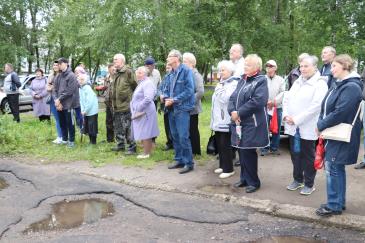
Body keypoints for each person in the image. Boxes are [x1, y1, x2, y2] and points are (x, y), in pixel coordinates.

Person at [315, 54, 363, 216]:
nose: (331, 69)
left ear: (345, 67)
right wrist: (322, 120)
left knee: (333, 168)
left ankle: (334, 205)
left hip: (340, 132)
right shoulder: (341, 84)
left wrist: (321, 124)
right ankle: (338, 202)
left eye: (334, 66)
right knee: (336, 168)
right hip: (334, 131)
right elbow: (328, 106)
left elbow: (340, 112)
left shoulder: (351, 87)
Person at [282, 55, 328, 195]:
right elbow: (287, 98)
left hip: (307, 127)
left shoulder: (320, 83)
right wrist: (285, 115)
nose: (302, 69)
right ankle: (297, 179)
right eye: (301, 66)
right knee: (295, 154)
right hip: (292, 126)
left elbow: (315, 106)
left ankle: (309, 183)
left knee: (307, 156)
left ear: (315, 67)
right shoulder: (297, 82)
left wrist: (296, 119)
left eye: (306, 66)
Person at [228, 54, 269, 193]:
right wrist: (233, 112)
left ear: (257, 67)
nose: (245, 67)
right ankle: (244, 178)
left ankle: (254, 182)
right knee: (241, 150)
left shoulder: (261, 80)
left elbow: (258, 101)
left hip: (252, 122)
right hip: (239, 122)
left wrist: (239, 112)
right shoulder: (242, 79)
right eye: (245, 64)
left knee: (248, 151)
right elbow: (233, 98)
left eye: (249, 65)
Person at [163, 49, 195, 174]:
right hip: (171, 108)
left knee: (183, 136)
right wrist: (165, 96)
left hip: (182, 108)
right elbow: (166, 88)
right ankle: (179, 159)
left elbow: (189, 90)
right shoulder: (171, 73)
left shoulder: (186, 71)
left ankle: (189, 163)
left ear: (176, 58)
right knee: (175, 135)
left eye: (169, 56)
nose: (167, 59)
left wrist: (174, 100)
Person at [211, 60, 239, 179]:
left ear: (230, 71)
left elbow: (224, 99)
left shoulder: (232, 83)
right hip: (218, 120)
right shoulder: (222, 83)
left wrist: (218, 88)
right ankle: (222, 166)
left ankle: (229, 169)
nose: (220, 72)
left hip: (226, 119)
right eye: (220, 70)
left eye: (223, 70)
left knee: (225, 144)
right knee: (220, 144)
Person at [110, 53, 137, 154]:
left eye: (116, 60)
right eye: (114, 60)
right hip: (116, 105)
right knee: (118, 127)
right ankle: (120, 145)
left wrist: (129, 98)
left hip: (126, 105)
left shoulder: (128, 72)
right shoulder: (116, 73)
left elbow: (135, 86)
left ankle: (132, 147)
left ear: (122, 61)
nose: (114, 61)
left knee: (128, 127)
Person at [130, 66, 160, 158]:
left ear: (145, 74)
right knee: (143, 131)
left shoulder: (147, 83)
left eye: (140, 73)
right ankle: (146, 152)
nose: (137, 74)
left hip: (146, 111)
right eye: (137, 72)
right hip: (142, 111)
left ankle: (147, 153)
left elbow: (148, 98)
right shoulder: (142, 82)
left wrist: (138, 107)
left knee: (146, 131)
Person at [260, 60, 285, 156]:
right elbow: (259, 92)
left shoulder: (280, 80)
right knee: (264, 128)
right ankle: (264, 148)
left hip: (276, 108)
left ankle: (274, 148)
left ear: (275, 68)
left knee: (276, 129)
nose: (269, 68)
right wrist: (265, 102)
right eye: (267, 66)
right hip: (264, 107)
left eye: (271, 66)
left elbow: (283, 93)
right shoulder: (262, 79)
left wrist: (274, 102)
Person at [54, 57, 80, 148]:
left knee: (70, 123)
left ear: (66, 64)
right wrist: (57, 101)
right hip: (60, 104)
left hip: (70, 104)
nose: (59, 65)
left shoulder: (71, 75)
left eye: (60, 63)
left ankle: (71, 141)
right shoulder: (58, 76)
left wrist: (59, 99)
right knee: (62, 122)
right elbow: (55, 89)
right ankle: (64, 139)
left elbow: (70, 91)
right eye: (58, 64)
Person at [183, 52, 204, 156]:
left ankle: (196, 151)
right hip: (185, 108)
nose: (183, 63)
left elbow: (200, 91)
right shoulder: (186, 74)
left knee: (193, 129)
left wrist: (190, 101)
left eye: (185, 62)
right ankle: (190, 149)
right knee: (187, 129)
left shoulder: (196, 75)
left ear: (191, 63)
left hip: (193, 107)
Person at [78, 74, 99, 144]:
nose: (80, 81)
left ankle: (93, 141)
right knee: (87, 126)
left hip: (92, 110)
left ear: (85, 80)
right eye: (79, 79)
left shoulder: (87, 88)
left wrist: (85, 110)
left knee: (92, 126)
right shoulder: (80, 88)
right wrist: (82, 110)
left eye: (82, 79)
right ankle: (90, 141)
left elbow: (89, 101)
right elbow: (81, 100)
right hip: (86, 111)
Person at [158, 63, 174, 151]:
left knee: (173, 125)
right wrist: (160, 95)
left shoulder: (174, 77)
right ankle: (169, 142)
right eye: (166, 68)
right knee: (167, 124)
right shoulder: (165, 77)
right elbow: (159, 88)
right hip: (164, 105)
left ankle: (174, 143)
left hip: (172, 104)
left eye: (169, 67)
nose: (167, 69)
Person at [47, 61, 63, 143]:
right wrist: (51, 87)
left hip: (61, 99)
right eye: (54, 65)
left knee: (62, 118)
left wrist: (53, 87)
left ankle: (63, 136)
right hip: (52, 99)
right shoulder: (50, 75)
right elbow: (47, 88)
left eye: (57, 65)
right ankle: (59, 136)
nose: (55, 66)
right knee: (57, 118)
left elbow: (62, 88)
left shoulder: (62, 75)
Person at [104, 63, 115, 143]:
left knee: (116, 121)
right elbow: (105, 88)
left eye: (114, 69)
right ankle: (109, 139)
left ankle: (119, 139)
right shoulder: (106, 78)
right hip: (108, 103)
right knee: (108, 121)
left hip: (115, 103)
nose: (113, 71)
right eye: (111, 69)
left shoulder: (117, 78)